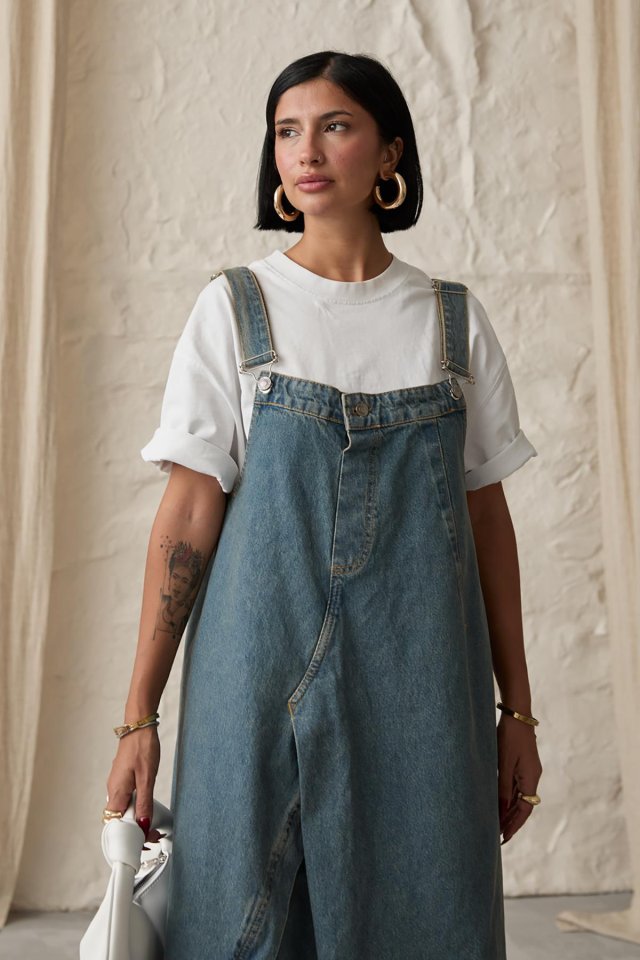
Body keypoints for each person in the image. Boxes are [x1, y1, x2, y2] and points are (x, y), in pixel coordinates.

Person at [104, 50, 542, 959]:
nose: (306, 152)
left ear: (389, 153)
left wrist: (518, 713)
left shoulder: (451, 324)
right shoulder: (235, 309)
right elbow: (186, 519)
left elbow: (487, 526)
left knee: (429, 906)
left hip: (425, 674)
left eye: (336, 126)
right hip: (254, 664)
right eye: (287, 131)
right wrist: (139, 716)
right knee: (235, 908)